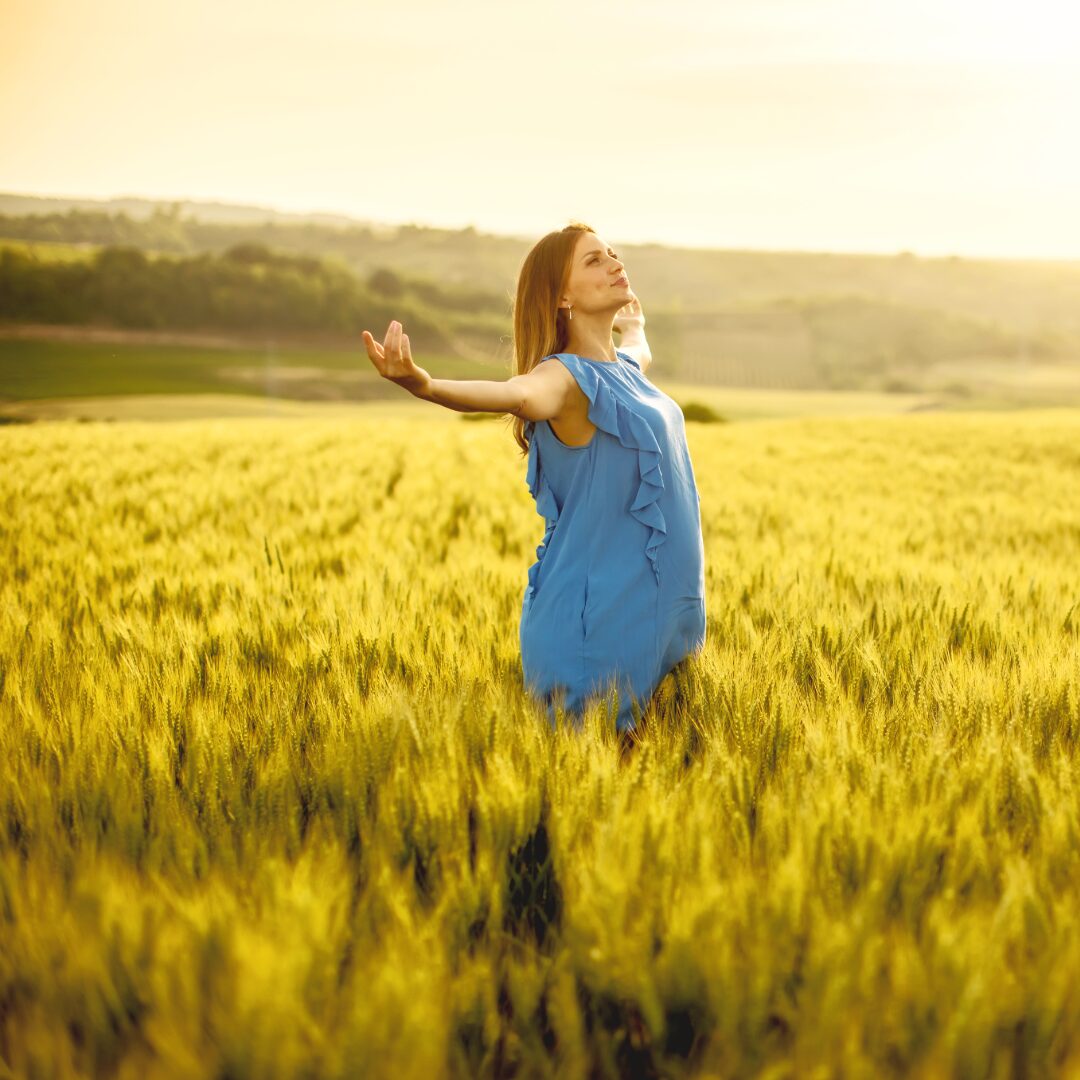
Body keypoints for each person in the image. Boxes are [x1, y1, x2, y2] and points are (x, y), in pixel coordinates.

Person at [361, 221, 706, 733]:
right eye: (594, 260)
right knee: (597, 788)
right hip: (601, 627)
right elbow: (515, 395)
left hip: (661, 616)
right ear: (561, 295)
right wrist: (426, 385)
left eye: (613, 253)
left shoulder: (625, 371)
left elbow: (639, 353)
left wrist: (634, 328)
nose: (615, 263)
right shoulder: (561, 379)